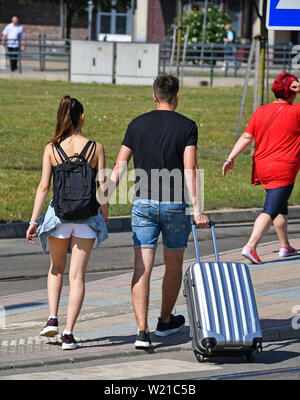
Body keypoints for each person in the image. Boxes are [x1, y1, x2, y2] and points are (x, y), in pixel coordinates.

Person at [107, 75, 209, 349]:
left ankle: (142, 332)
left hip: (143, 204)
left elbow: (119, 166)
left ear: (154, 97)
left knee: (142, 267)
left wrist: (101, 200)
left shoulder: (137, 124)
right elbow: (190, 168)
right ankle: (164, 321)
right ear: (176, 97)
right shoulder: (187, 126)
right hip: (175, 204)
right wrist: (198, 209)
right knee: (174, 264)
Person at [26, 96, 108, 350]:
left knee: (56, 268)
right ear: (81, 118)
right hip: (86, 219)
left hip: (58, 217)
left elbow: (43, 187)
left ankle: (52, 318)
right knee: (77, 276)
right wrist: (104, 215)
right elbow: (103, 187)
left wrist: (33, 221)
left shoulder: (51, 149)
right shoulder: (96, 148)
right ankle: (69, 334)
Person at [222, 72, 300, 264]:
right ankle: (251, 245)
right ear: (292, 90)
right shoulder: (296, 111)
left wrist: (230, 157)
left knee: (280, 206)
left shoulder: (260, 111)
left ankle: (285, 246)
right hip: (284, 168)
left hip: (263, 167)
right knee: (270, 208)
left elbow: (247, 137)